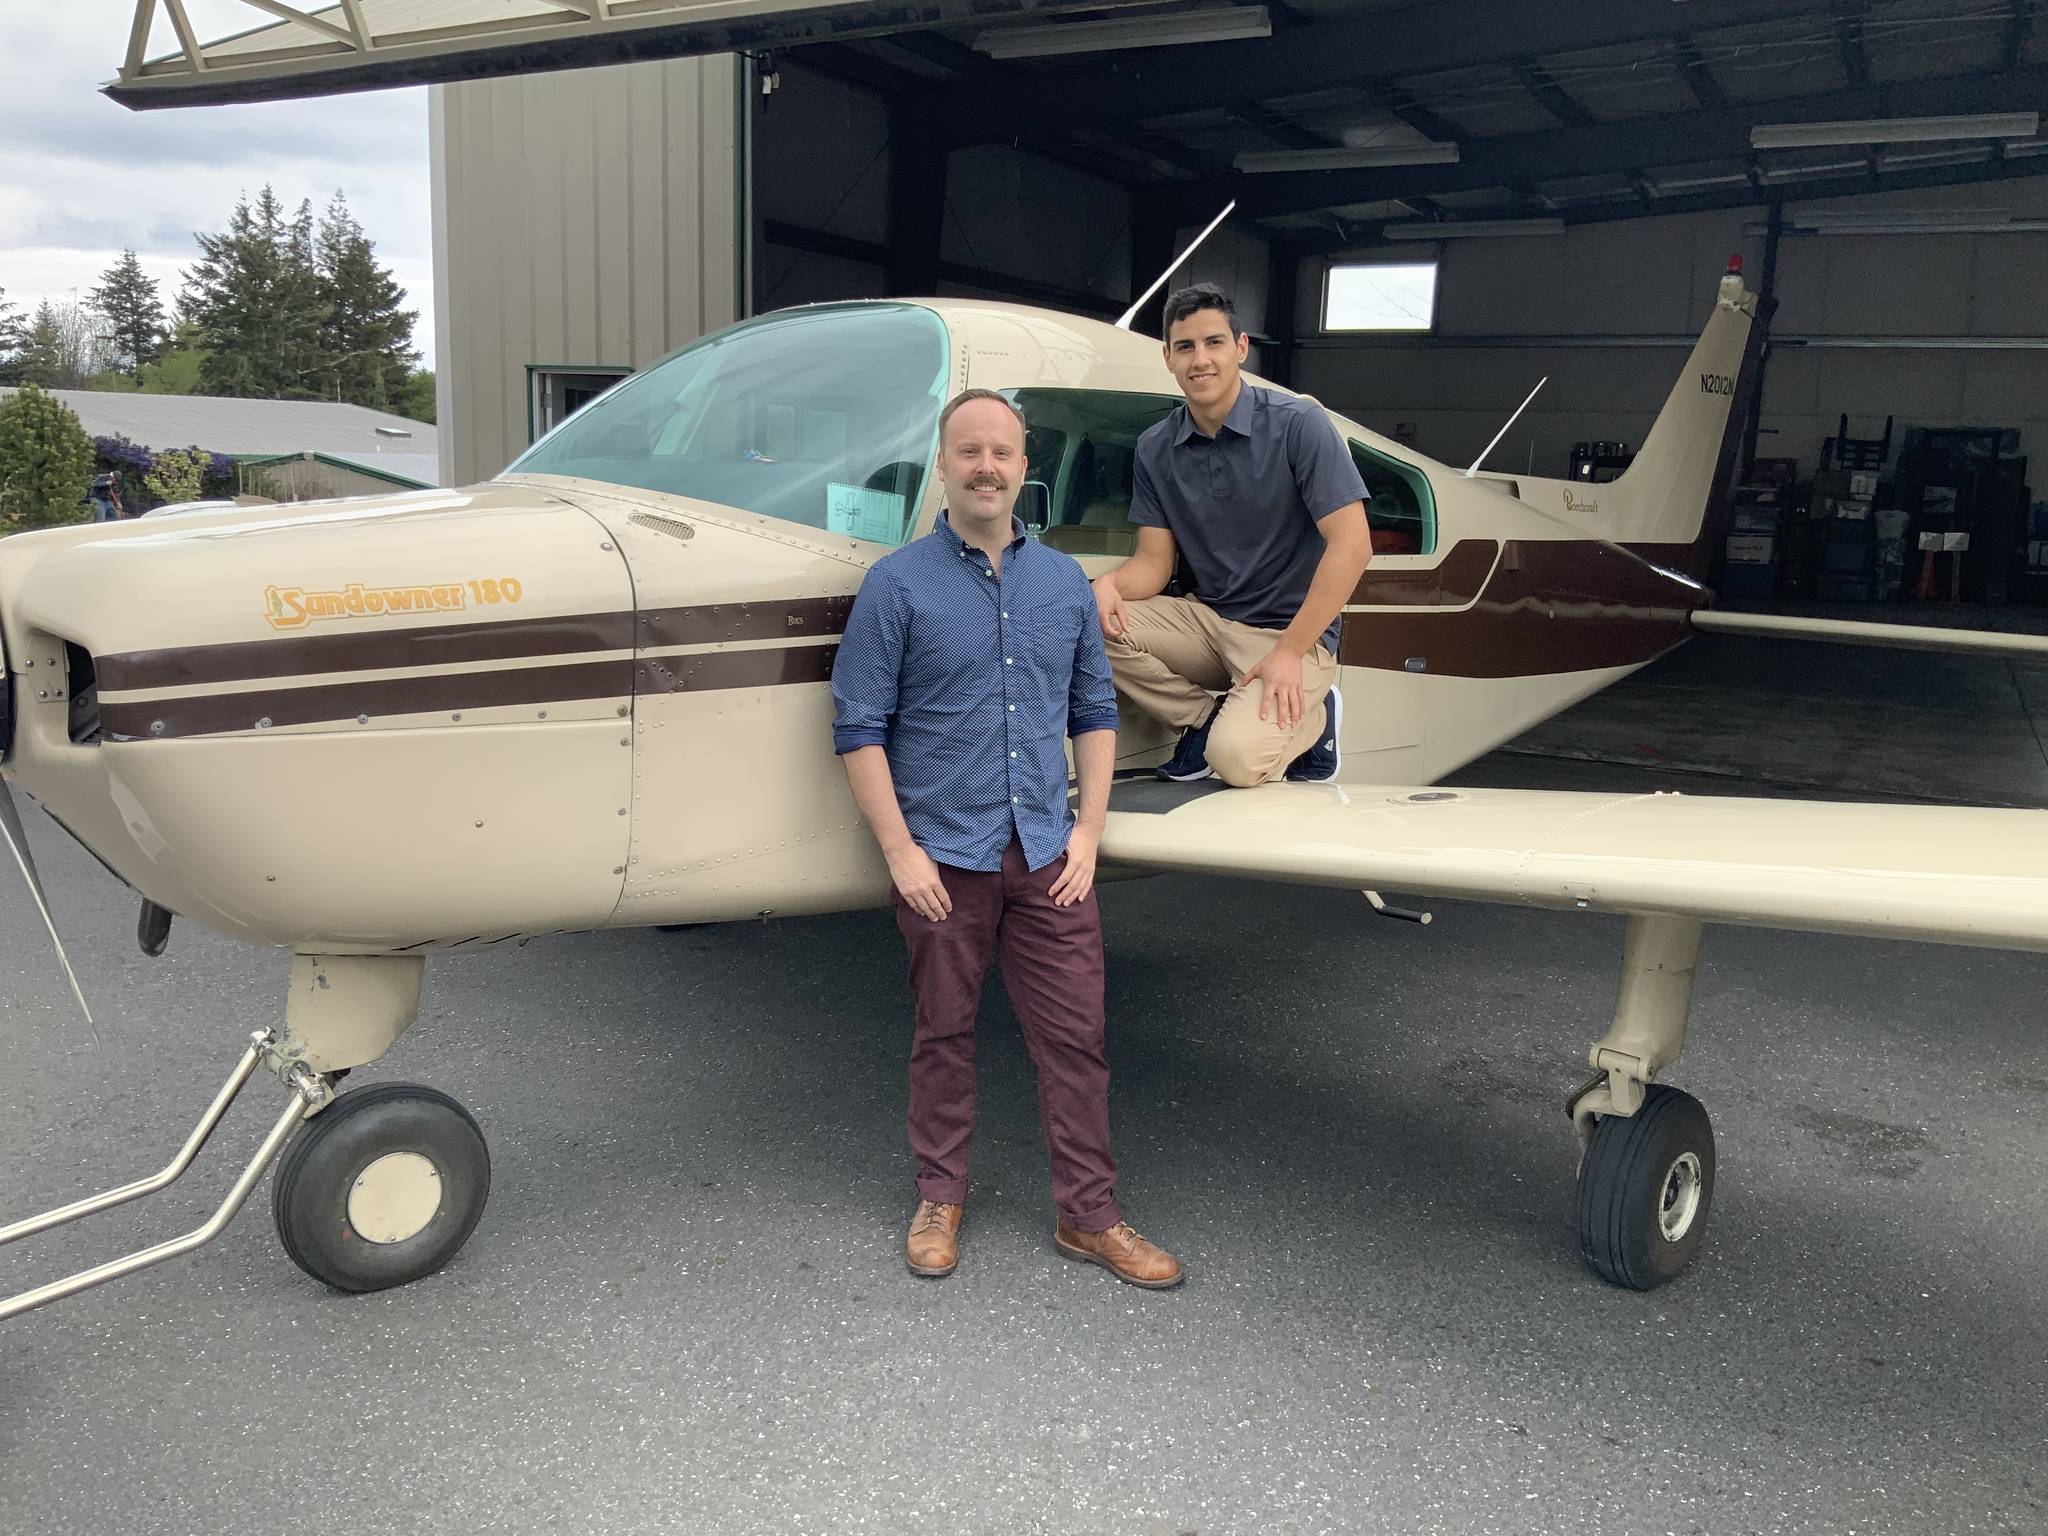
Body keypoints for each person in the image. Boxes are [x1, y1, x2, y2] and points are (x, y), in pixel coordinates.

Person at [831, 387, 1182, 1290]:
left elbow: (1094, 709)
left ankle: (1089, 1217)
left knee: (1077, 1040)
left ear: (1027, 469)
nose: (987, 466)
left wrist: (1091, 831)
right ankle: (940, 1197)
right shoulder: (897, 585)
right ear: (943, 465)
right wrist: (901, 853)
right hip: (944, 858)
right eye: (969, 451)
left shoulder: (1062, 582)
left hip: (1049, 858)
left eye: (1004, 452)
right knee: (942, 1033)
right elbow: (858, 728)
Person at [1091, 283, 1375, 787]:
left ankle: (1317, 717)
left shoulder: (1299, 425)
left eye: (1214, 342)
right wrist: (1107, 587)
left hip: (1289, 635)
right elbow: (1153, 564)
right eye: (1185, 347)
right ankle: (1200, 718)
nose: (1201, 359)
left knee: (1237, 762)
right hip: (1210, 620)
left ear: (1241, 348)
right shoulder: (1155, 447)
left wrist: (1289, 652)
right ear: (1168, 358)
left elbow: (1353, 546)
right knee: (1082, 617)